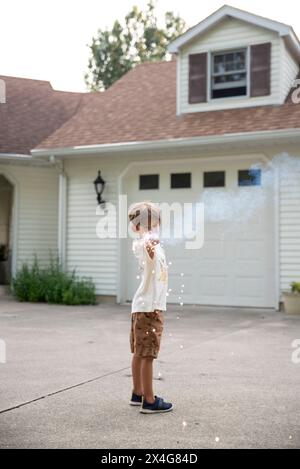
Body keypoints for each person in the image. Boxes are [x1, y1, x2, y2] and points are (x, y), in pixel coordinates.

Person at [128, 201, 173, 414]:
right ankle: (149, 400)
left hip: (144, 306)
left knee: (140, 352)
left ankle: (137, 393)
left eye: (156, 224)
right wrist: (148, 236)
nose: (155, 229)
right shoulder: (146, 245)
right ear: (139, 228)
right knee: (147, 355)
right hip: (149, 309)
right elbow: (147, 246)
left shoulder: (154, 244)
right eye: (150, 225)